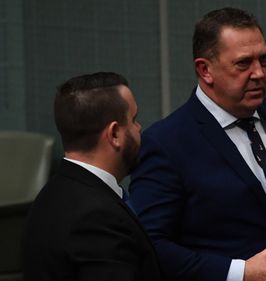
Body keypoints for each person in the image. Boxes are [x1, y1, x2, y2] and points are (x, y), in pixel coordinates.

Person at [128, 7, 266, 281]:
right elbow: (151, 245)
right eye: (243, 64)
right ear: (205, 70)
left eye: (263, 60)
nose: (259, 73)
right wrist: (239, 273)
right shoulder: (166, 143)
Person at [23, 72, 164, 281]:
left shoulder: (49, 194)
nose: (139, 128)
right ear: (114, 134)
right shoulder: (98, 218)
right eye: (134, 120)